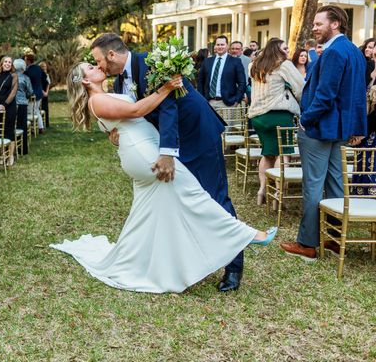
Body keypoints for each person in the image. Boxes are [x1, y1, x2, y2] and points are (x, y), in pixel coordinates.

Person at [50, 62, 276, 294]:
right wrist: (166, 88)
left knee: (148, 213)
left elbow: (117, 124)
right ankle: (245, 235)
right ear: (85, 81)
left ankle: (136, 259)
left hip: (143, 147)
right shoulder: (96, 100)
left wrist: (112, 133)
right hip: (144, 153)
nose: (96, 66)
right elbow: (137, 111)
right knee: (192, 193)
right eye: (90, 67)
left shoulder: (109, 92)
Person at [90, 33, 246, 293]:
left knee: (214, 197)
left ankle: (234, 268)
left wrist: (167, 152)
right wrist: (114, 133)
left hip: (196, 133)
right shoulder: (118, 85)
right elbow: (131, 113)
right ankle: (196, 260)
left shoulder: (152, 63)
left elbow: (168, 107)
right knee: (185, 201)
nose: (98, 67)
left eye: (98, 60)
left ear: (111, 55)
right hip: (167, 138)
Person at [280, 5, 367, 261]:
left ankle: (307, 245)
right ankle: (334, 239)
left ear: (335, 24)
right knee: (336, 184)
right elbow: (358, 96)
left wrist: (305, 120)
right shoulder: (353, 51)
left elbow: (325, 95)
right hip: (339, 130)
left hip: (318, 129)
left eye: (319, 24)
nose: (314, 28)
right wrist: (357, 127)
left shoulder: (333, 53)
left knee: (313, 186)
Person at [248, 38, 304, 207]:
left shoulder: (254, 65)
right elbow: (301, 87)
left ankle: (262, 191)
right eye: (285, 48)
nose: (287, 51)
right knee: (283, 153)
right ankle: (279, 195)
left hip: (258, 116)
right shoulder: (284, 64)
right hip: (279, 115)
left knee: (267, 153)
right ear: (277, 50)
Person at [197, 35, 246, 110]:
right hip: (208, 103)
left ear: (227, 46)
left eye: (222, 44)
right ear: (215, 46)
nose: (220, 47)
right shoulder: (207, 61)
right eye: (218, 44)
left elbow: (242, 82)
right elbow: (200, 81)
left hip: (228, 103)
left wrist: (237, 100)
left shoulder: (235, 61)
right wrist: (201, 98)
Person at [0, 55, 18, 164]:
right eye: (6, 62)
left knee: (9, 130)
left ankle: (11, 156)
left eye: (10, 62)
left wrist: (4, 104)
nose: (7, 64)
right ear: (2, 64)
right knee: (0, 130)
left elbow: (13, 92)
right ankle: (3, 156)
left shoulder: (13, 76)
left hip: (9, 106)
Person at [14, 58, 34, 156]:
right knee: (22, 126)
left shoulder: (11, 76)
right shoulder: (25, 78)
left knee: (13, 125)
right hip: (22, 104)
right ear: (23, 67)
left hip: (12, 104)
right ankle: (22, 149)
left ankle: (12, 148)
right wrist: (26, 95)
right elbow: (30, 92)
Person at [24, 53, 45, 134]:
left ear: (28, 61)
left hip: (32, 94)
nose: (24, 61)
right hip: (39, 92)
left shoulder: (27, 71)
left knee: (30, 111)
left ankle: (32, 129)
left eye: (25, 60)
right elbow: (44, 78)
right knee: (36, 110)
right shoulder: (38, 68)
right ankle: (40, 128)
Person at [39, 61, 51, 128]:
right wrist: (42, 92)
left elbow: (48, 84)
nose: (44, 68)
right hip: (40, 92)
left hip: (45, 93)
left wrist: (46, 92)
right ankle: (41, 123)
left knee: (45, 108)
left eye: (45, 67)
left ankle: (46, 123)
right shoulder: (39, 75)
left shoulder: (47, 75)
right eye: (43, 67)